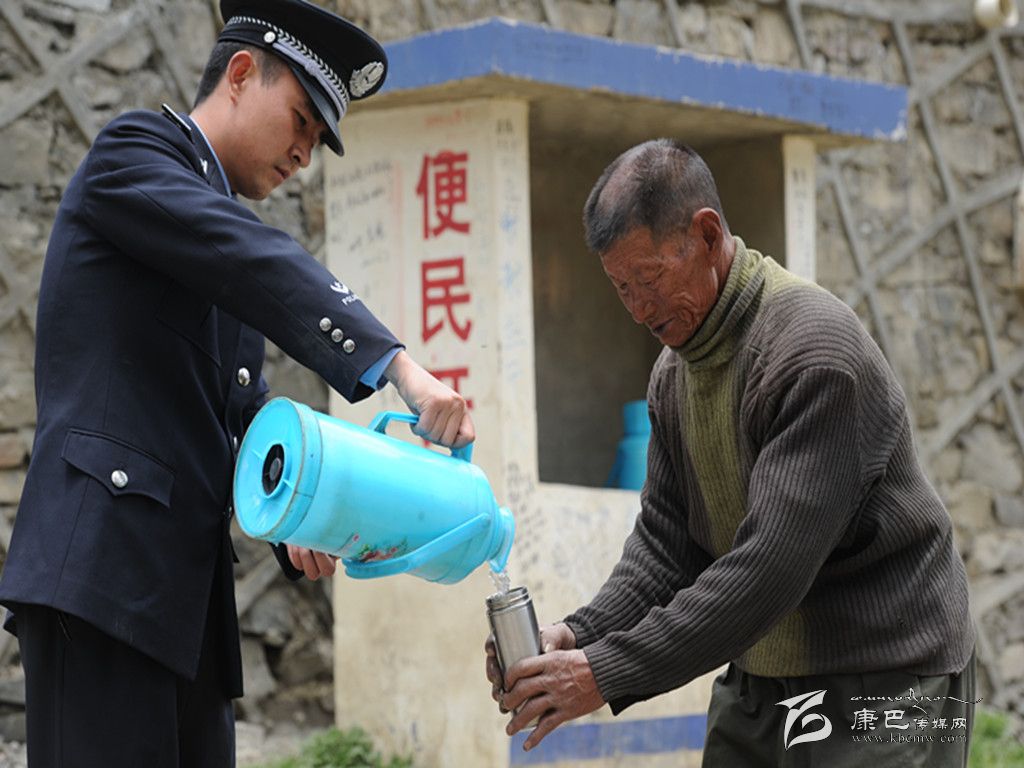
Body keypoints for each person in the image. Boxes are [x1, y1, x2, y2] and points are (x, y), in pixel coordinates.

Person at [0, 1, 473, 765]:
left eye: (317, 141)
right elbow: (249, 257)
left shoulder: (219, 231)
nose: (303, 156)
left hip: (184, 606)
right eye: (300, 121)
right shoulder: (134, 155)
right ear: (242, 74)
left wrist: (302, 514)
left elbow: (242, 420)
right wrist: (397, 367)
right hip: (101, 575)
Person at [486, 139, 976, 767]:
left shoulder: (815, 356)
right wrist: (579, 635)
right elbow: (666, 550)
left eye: (649, 279)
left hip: (889, 676)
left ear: (708, 235)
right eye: (621, 287)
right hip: (765, 680)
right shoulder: (672, 376)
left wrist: (602, 672)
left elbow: (767, 572)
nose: (638, 308)